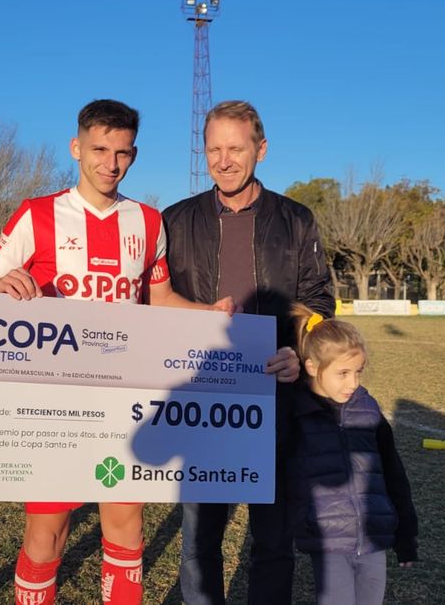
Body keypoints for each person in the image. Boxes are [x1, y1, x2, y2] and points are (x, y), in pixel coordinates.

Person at [0, 99, 233, 605]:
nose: (110, 164)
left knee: (126, 526)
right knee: (48, 533)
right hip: (51, 406)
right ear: (76, 148)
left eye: (123, 153)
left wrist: (206, 314)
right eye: (99, 150)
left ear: (134, 155)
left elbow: (160, 301)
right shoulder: (37, 214)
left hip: (121, 403)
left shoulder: (148, 222)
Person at [162, 99, 336, 604]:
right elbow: (156, 302)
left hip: (277, 401)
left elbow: (320, 302)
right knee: (199, 541)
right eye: (213, 149)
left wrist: (300, 353)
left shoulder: (296, 219)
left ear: (260, 149)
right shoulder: (175, 220)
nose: (224, 160)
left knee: (274, 541)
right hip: (204, 402)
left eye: (235, 148)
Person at [287, 304, 418, 605]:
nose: (353, 383)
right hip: (328, 541)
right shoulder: (295, 413)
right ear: (311, 368)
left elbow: (393, 473)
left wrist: (406, 536)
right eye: (342, 373)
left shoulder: (368, 410)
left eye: (358, 372)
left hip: (373, 539)